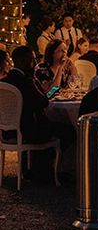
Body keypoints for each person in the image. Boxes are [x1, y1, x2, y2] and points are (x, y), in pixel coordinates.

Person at [2, 46, 76, 175]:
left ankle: (39, 165)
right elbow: (44, 101)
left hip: (6, 133)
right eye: (32, 60)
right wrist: (35, 81)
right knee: (70, 130)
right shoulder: (26, 80)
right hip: (29, 131)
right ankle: (49, 169)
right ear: (24, 61)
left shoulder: (5, 81)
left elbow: (47, 94)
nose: (35, 63)